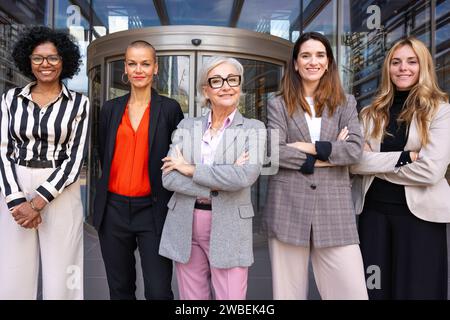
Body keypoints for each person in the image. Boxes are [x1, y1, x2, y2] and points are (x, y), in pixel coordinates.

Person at [263, 32, 368, 300]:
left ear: (329, 62)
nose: (313, 61)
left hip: (335, 208)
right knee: (288, 294)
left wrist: (305, 147)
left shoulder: (346, 102)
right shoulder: (277, 103)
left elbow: (354, 150)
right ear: (296, 63)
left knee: (352, 292)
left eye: (320, 55)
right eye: (306, 55)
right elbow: (273, 151)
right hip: (287, 206)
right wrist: (331, 151)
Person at [158, 56, 266, 300]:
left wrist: (190, 169)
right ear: (205, 90)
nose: (226, 86)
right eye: (216, 81)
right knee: (192, 298)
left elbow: (244, 176)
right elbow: (169, 179)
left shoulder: (254, 128)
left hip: (229, 223)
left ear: (240, 86)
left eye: (232, 79)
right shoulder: (187, 126)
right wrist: (221, 180)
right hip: (185, 222)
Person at [350, 37, 450, 300]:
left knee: (417, 292)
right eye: (396, 62)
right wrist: (406, 158)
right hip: (373, 217)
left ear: (423, 66)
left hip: (420, 220)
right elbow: (354, 162)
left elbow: (431, 171)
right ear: (388, 68)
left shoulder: (441, 111)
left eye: (411, 61)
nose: (402, 68)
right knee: (374, 293)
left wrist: (374, 163)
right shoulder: (370, 113)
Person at [0, 26, 89, 300]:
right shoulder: (11, 99)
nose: (45, 64)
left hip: (61, 188)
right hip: (15, 184)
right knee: (13, 270)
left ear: (64, 61)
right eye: (38, 58)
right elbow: (3, 150)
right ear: (28, 60)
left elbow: (75, 158)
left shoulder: (79, 104)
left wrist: (38, 201)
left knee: (65, 270)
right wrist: (17, 202)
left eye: (53, 57)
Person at [93, 40, 184, 300]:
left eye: (145, 63)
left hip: (153, 210)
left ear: (156, 68)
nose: (139, 69)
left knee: (158, 291)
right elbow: (104, 154)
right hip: (113, 210)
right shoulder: (110, 109)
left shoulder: (169, 109)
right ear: (125, 67)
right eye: (132, 63)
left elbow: (177, 156)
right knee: (120, 290)